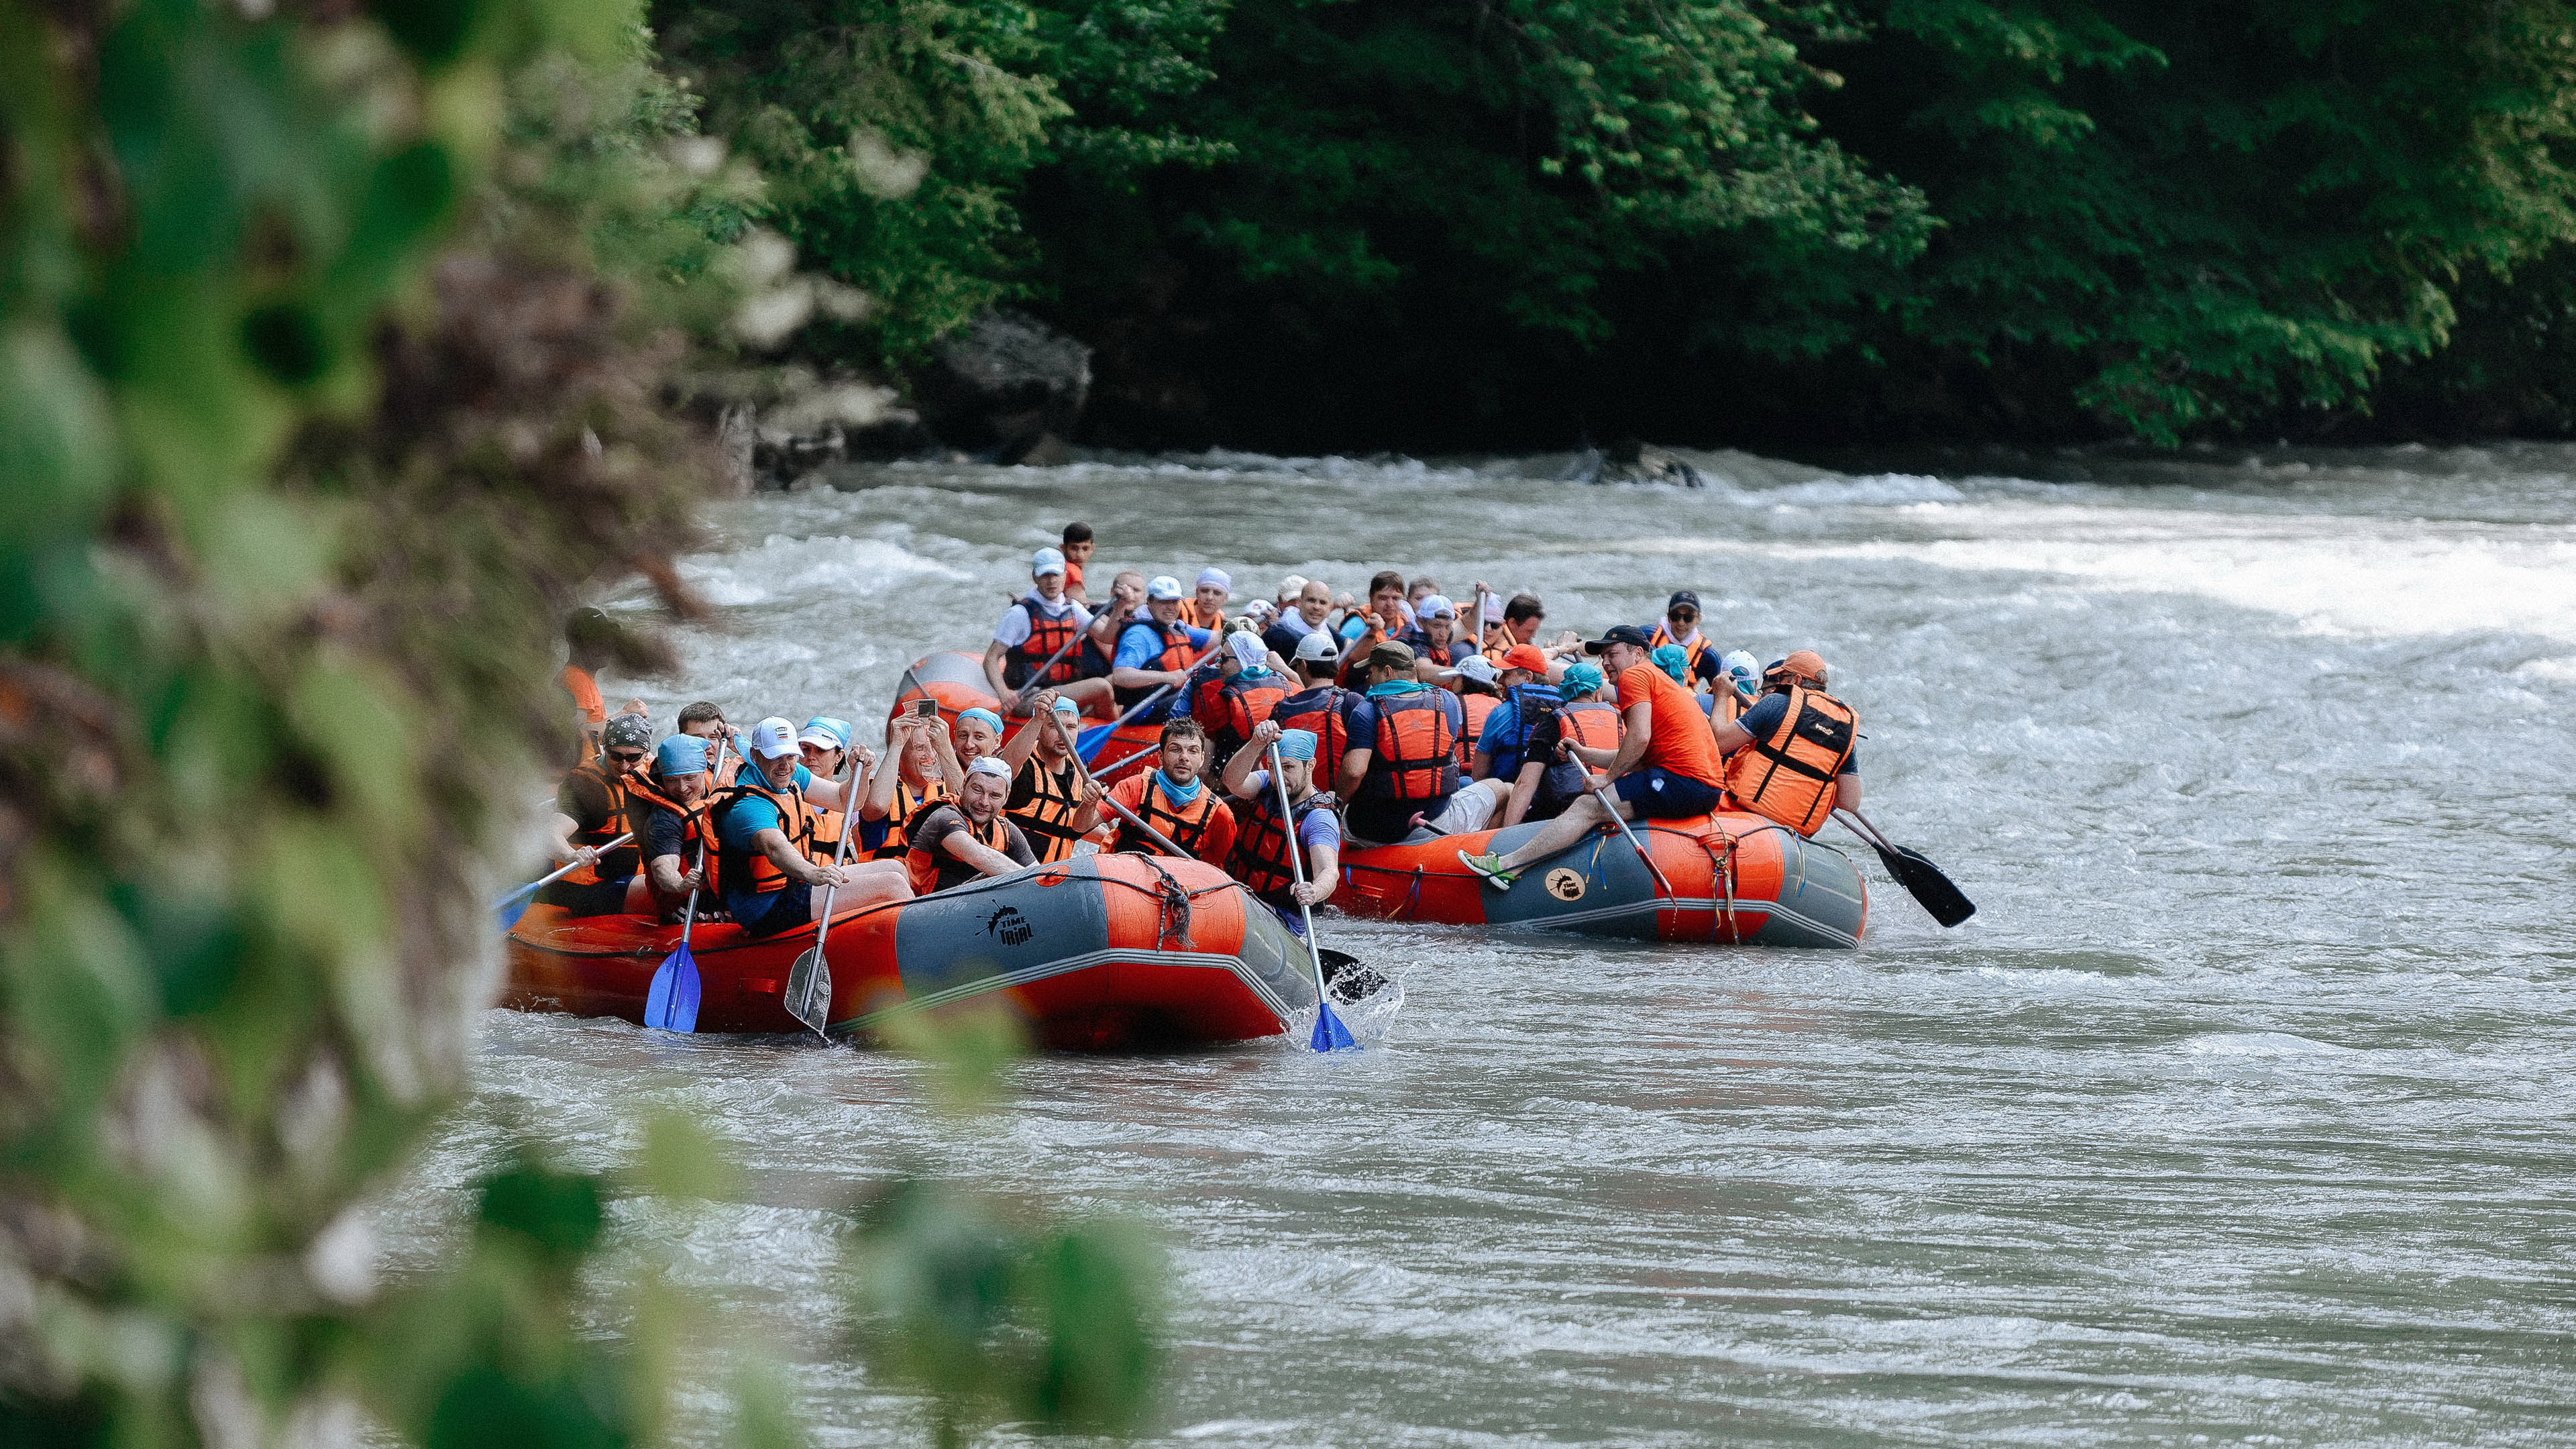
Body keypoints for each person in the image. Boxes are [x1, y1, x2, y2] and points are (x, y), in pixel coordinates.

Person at [1456, 625, 1727, 890]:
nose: (1606, 663)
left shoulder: (1636, 676)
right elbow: (1639, 756)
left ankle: (1508, 865)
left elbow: (1639, 738)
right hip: (1701, 786)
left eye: (1613, 654)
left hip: (1685, 781)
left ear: (1637, 653)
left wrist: (1607, 780)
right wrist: (1584, 753)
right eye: (1603, 657)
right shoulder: (1659, 680)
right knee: (1598, 801)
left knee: (1588, 806)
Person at [713, 718, 911, 936]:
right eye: (775, 757)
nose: (785, 765)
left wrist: (860, 772)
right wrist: (813, 873)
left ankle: (896, 936)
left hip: (792, 883)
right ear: (755, 755)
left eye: (790, 756)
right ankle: (916, 952)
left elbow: (846, 801)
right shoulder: (749, 806)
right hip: (765, 907)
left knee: (897, 869)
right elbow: (775, 848)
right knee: (891, 885)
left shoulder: (788, 772)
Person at [1335, 640, 1509, 846]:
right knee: (1503, 788)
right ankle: (1480, 855)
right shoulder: (1448, 701)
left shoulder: (1366, 710)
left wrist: (1337, 806)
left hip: (1370, 831)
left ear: (1387, 672)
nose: (1368, 678)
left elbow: (1354, 772)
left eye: (1372, 672)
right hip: (1435, 821)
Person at [1713, 650, 1859, 836]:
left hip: (1743, 816)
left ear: (1795, 680)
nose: (1777, 684)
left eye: (1781, 677)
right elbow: (1849, 802)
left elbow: (1719, 743)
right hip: (1793, 834)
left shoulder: (1776, 703)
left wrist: (1721, 695)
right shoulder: (1843, 728)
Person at [1222, 722, 1342, 936]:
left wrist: (1314, 892)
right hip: (1245, 898)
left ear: (1310, 765)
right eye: (1272, 766)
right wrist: (1255, 744)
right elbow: (1233, 782)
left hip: (1284, 918)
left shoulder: (1318, 818)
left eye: (1288, 767)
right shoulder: (1267, 784)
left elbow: (1329, 871)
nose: (1278, 775)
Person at [539, 712, 655, 916]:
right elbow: (551, 835)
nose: (624, 766)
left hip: (633, 878)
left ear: (647, 753)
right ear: (605, 749)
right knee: (657, 886)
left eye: (633, 758)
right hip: (588, 889)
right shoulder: (584, 785)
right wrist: (572, 855)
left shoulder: (658, 773)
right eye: (616, 756)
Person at [984, 547, 1111, 717]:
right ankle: (1110, 735)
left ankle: (1102, 731)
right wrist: (1004, 694)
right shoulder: (1020, 613)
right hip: (1030, 696)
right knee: (1101, 687)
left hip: (1062, 690)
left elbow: (1106, 636)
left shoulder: (1072, 608)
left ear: (1065, 575)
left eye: (1056, 575)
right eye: (1045, 575)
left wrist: (1121, 607)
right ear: (1035, 577)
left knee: (1110, 686)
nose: (1051, 581)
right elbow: (991, 658)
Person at [1496, 661, 1623, 828]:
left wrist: (1507, 832)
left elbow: (1526, 783)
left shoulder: (1552, 721)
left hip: (1566, 811)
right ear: (1598, 693)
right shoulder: (1622, 718)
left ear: (1565, 691)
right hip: (1618, 805)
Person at [1106, 718, 1237, 866]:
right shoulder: (1135, 787)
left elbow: (1221, 872)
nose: (1184, 758)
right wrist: (1089, 802)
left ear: (1202, 760)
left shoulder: (1220, 814)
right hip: (1124, 877)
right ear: (1160, 757)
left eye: (1193, 751)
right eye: (1175, 750)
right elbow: (1079, 828)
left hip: (1173, 885)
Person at [906, 756, 1038, 894]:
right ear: (964, 785)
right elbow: (979, 856)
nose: (984, 802)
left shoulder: (1007, 830)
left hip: (968, 907)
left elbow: (1037, 871)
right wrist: (1032, 881)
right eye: (977, 790)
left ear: (1006, 797)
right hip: (924, 904)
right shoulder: (944, 816)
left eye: (994, 796)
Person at [1000, 692, 1105, 863]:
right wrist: (1038, 718)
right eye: (1054, 726)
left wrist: (1111, 839)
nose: (1063, 734)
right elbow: (1007, 766)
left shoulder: (1080, 771)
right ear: (1040, 730)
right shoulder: (1024, 765)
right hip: (1012, 871)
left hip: (1054, 879)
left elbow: (1070, 823)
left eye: (1070, 727)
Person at [627, 732, 719, 921]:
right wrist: (680, 884)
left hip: (723, 892)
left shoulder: (719, 782)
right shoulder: (664, 819)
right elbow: (663, 867)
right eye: (672, 780)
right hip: (687, 903)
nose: (682, 788)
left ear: (704, 771)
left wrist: (737, 743)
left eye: (689, 778)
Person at [858, 709, 961, 860]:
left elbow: (968, 811)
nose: (930, 756)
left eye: (934, 747)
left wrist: (945, 748)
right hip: (889, 877)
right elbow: (876, 807)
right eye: (920, 748)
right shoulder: (880, 791)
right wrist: (897, 744)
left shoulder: (947, 791)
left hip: (936, 881)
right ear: (901, 755)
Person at [1110, 576, 1215, 724]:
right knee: (1201, 699)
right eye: (1164, 602)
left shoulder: (1177, 627)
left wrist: (1244, 626)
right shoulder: (1138, 634)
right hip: (1144, 710)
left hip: (1172, 699)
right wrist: (1168, 677)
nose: (1170, 607)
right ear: (1150, 602)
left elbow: (1216, 639)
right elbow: (1121, 675)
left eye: (1174, 602)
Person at [1184, 629, 1290, 769]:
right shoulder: (1289, 685)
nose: (1218, 664)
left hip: (1241, 781)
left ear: (1242, 660)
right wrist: (1288, 671)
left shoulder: (1220, 703)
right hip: (1282, 773)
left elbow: (1205, 764)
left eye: (1223, 658)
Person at [559, 608, 647, 763]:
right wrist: (624, 714)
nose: (606, 646)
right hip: (583, 775)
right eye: (596, 641)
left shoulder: (579, 677)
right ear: (576, 645)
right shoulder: (576, 680)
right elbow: (573, 734)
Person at [1470, 644, 1562, 783]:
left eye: (1506, 675)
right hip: (1550, 798)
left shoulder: (1500, 713)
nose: (1499, 681)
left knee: (1464, 781)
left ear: (1527, 677)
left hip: (1507, 794)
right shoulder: (1564, 708)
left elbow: (1478, 775)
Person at [1274, 631, 1358, 770]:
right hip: (1342, 791)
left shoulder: (1283, 708)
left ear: (1304, 665)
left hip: (1301, 791)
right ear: (1335, 665)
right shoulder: (1352, 701)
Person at [797, 716, 870, 863]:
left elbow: (861, 851)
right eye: (805, 749)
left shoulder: (851, 799)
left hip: (834, 881)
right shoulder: (786, 789)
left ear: (839, 756)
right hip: (798, 879)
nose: (811, 757)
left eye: (820, 750)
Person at [1334, 571, 1415, 687]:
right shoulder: (1356, 624)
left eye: (1396, 598)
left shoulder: (1406, 623)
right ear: (1372, 598)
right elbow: (1353, 657)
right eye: (1383, 598)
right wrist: (1372, 632)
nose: (1390, 604)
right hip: (1352, 687)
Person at [1645, 590, 1724, 690]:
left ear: (1698, 619)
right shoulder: (1648, 637)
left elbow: (1722, 692)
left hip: (1683, 701)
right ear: (1669, 617)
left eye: (1688, 617)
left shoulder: (1708, 656)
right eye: (1676, 616)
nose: (1681, 623)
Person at [1439, 651, 1505, 769]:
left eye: (1456, 678)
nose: (1450, 682)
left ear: (1468, 680)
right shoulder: (1500, 705)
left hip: (1460, 773)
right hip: (1491, 775)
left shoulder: (1453, 703)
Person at [1263, 576, 1340, 661]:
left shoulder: (1323, 626)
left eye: (1323, 603)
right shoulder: (1279, 633)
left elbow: (1349, 647)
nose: (1317, 607)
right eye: (1311, 600)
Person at [1083, 568, 1148, 668]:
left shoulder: (1144, 621)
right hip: (1102, 676)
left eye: (1136, 590)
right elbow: (1115, 658)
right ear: (1113, 592)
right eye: (1125, 589)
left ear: (1144, 597)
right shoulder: (1096, 614)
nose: (1129, 594)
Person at [674, 700, 742, 786]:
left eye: (713, 737)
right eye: (697, 739)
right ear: (681, 740)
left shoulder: (738, 771)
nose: (707, 745)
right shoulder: (668, 773)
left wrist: (741, 748)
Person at [1410, 595, 1477, 673]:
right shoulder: (1416, 643)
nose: (1443, 634)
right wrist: (1466, 672)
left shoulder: (1439, 637)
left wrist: (1481, 599)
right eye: (1436, 626)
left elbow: (1466, 626)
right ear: (1420, 622)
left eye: (1447, 626)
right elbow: (1425, 671)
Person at [1180, 567, 1232, 631]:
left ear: (1225, 598)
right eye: (1204, 591)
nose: (1210, 597)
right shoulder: (1176, 616)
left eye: (1217, 593)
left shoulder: (1225, 628)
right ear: (1197, 593)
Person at [1061, 521, 1094, 600]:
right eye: (1074, 548)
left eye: (1085, 549)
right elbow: (1081, 607)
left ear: (1092, 549)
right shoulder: (1072, 571)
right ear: (1063, 548)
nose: (1080, 555)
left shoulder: (1057, 566)